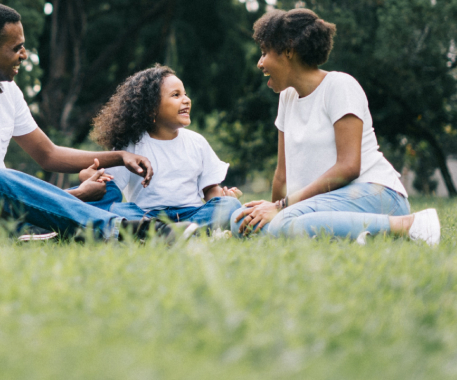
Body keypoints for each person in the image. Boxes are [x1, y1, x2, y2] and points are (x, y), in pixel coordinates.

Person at [0, 2, 178, 242]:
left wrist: (119, 157)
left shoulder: (6, 89)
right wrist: (76, 195)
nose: (24, 54)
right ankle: (119, 230)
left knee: (104, 192)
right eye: (17, 48)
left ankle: (161, 223)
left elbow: (48, 155)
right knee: (0, 180)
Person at [231, 8, 440, 246]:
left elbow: (348, 167)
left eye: (264, 52)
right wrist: (269, 212)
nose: (260, 63)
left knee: (284, 223)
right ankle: (354, 234)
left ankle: (410, 225)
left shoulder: (340, 86)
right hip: (322, 203)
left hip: (374, 193)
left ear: (288, 50)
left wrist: (281, 208)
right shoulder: (287, 98)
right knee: (241, 222)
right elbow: (282, 175)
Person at [84, 65, 242, 232]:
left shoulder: (197, 142)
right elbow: (111, 188)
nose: (186, 100)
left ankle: (175, 231)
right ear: (151, 108)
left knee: (230, 205)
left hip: (192, 214)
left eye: (185, 94)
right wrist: (92, 177)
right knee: (118, 210)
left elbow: (210, 189)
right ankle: (171, 231)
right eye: (176, 95)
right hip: (147, 216)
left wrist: (222, 199)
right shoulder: (131, 145)